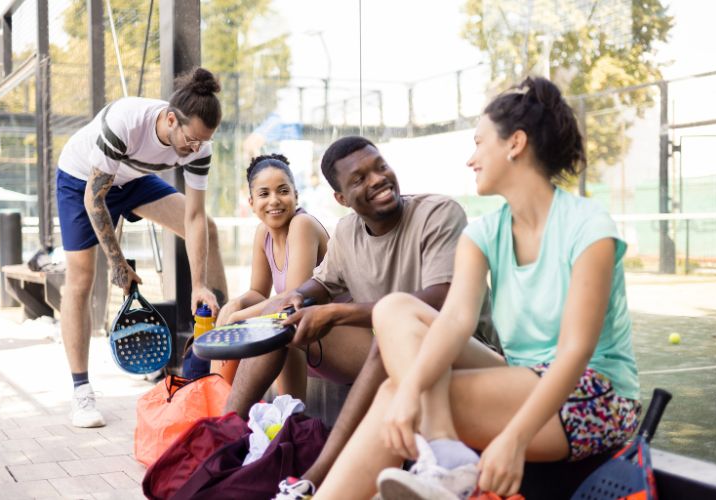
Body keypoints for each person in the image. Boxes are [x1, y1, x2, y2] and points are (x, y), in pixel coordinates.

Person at [315, 77, 641, 500]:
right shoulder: (484, 234)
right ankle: (448, 454)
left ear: (515, 144)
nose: (471, 159)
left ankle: (440, 466)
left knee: (393, 391)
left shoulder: (588, 227)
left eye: (479, 143)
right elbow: (452, 324)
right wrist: (410, 392)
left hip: (596, 394)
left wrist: (514, 438)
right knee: (393, 311)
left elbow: (577, 352)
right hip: (520, 377)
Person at [218, 136, 499, 500]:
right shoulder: (347, 232)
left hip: (464, 358)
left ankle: (313, 476)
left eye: (380, 167)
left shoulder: (438, 213)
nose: (378, 179)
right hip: (392, 356)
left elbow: (442, 303)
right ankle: (222, 436)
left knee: (390, 326)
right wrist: (296, 297)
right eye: (359, 178)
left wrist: (336, 312)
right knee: (287, 320)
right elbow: (321, 283)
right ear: (341, 199)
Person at [56, 67, 228, 428]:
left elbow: (195, 218)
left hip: (133, 179)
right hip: (81, 180)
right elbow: (94, 198)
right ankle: (82, 391)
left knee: (208, 227)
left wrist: (198, 285)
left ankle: (222, 346)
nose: (196, 149)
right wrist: (118, 263)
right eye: (191, 139)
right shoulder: (126, 122)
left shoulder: (200, 145)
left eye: (203, 142)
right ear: (170, 119)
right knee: (82, 278)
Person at [214, 154, 331, 398]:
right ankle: (218, 409)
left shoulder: (303, 225)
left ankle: (291, 423)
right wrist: (234, 306)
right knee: (231, 312)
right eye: (264, 194)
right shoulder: (263, 233)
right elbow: (258, 292)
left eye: (283, 191)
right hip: (310, 335)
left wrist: (238, 317)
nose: (274, 201)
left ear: (296, 195)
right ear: (252, 201)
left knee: (284, 328)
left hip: (333, 335)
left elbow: (292, 301)